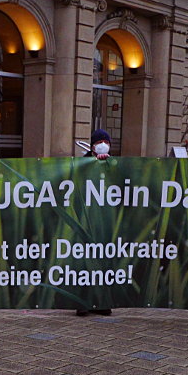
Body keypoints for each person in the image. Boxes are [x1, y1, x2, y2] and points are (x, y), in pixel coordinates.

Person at [76, 129, 114, 317]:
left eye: (105, 141)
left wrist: (108, 162)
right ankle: (82, 303)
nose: (102, 144)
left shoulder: (113, 162)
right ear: (91, 145)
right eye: (98, 141)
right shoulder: (81, 164)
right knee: (84, 262)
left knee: (103, 262)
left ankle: (102, 303)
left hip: (105, 219)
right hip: (86, 218)